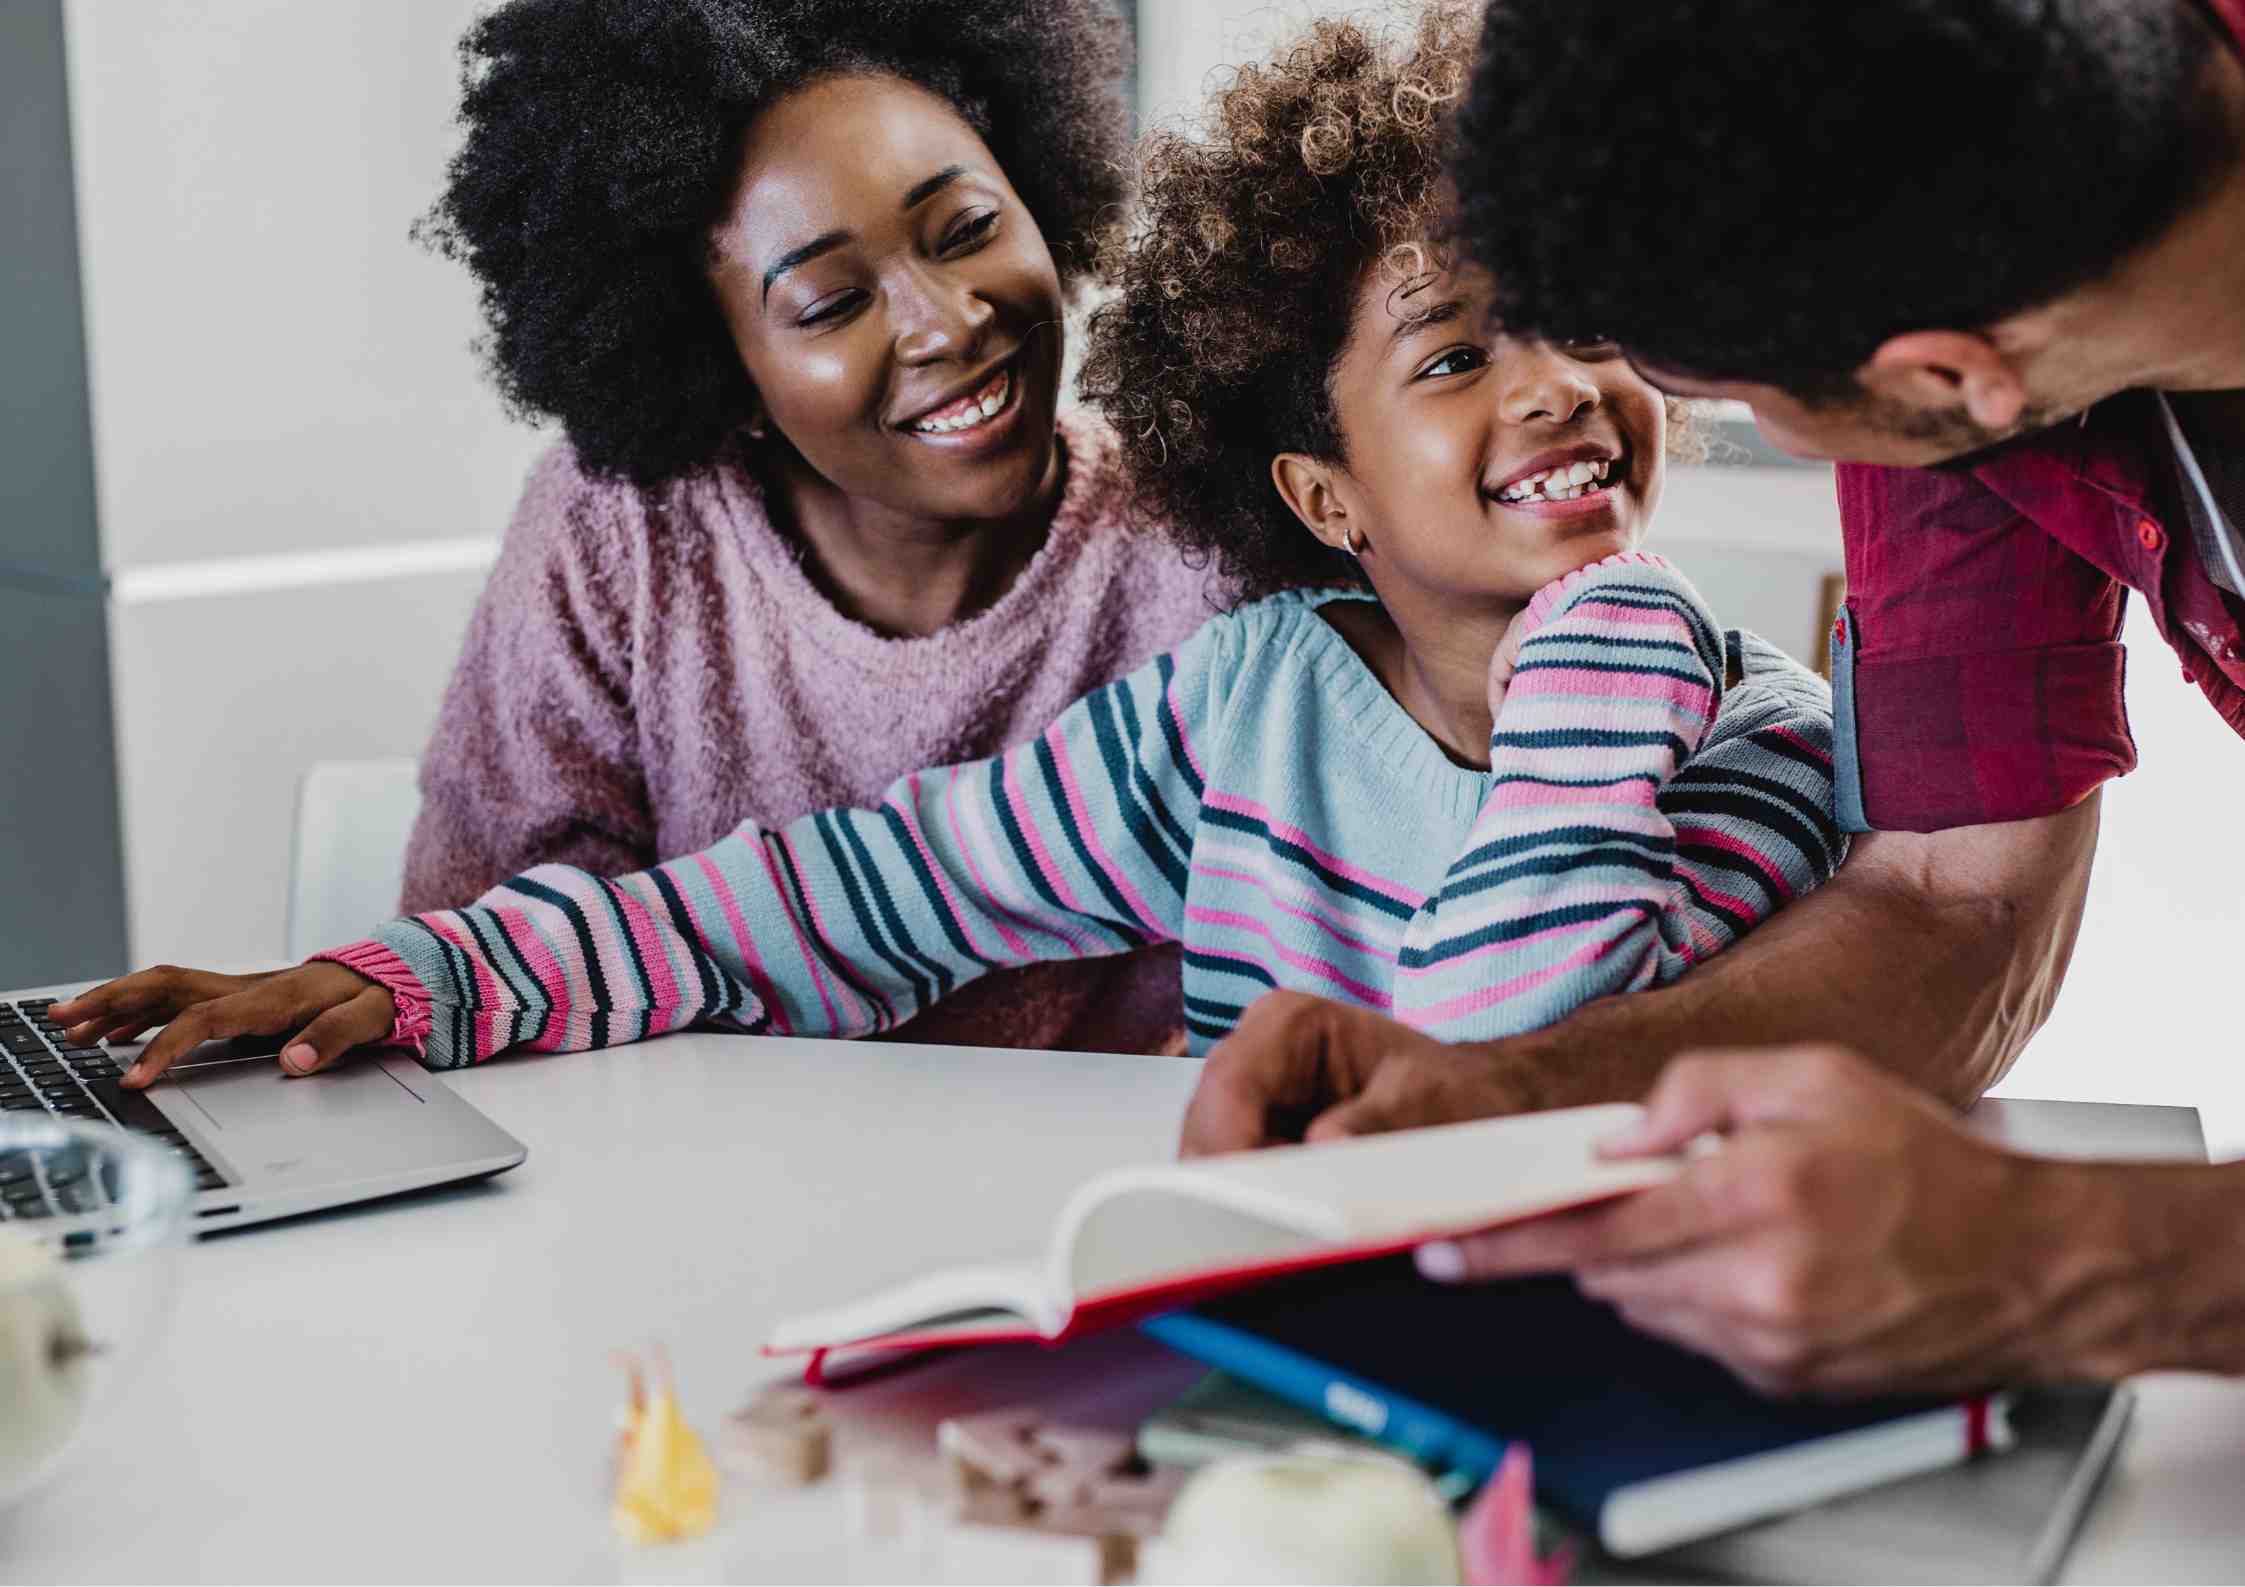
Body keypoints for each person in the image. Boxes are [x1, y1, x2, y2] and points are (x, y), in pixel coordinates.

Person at [47, 8, 1843, 1087]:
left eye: (1587, 326)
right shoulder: (1245, 705)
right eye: (1456, 355)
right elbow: (845, 894)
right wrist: (415, 971)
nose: (1555, 388)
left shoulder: (1764, 744)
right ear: (1325, 497)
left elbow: (1504, 1062)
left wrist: (1602, 653)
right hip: (1225, 1343)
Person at [1192, 0, 2245, 1396]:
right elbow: (1951, 893)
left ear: (1950, 378)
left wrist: (2054, 1251)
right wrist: (1520, 1087)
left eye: (1697, 383)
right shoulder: (1926, 246)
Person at [394, 0, 1220, 1057]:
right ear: (723, 373)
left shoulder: (1202, 528)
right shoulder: (624, 535)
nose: (947, 321)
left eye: (967, 231)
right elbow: (487, 947)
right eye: (832, 302)